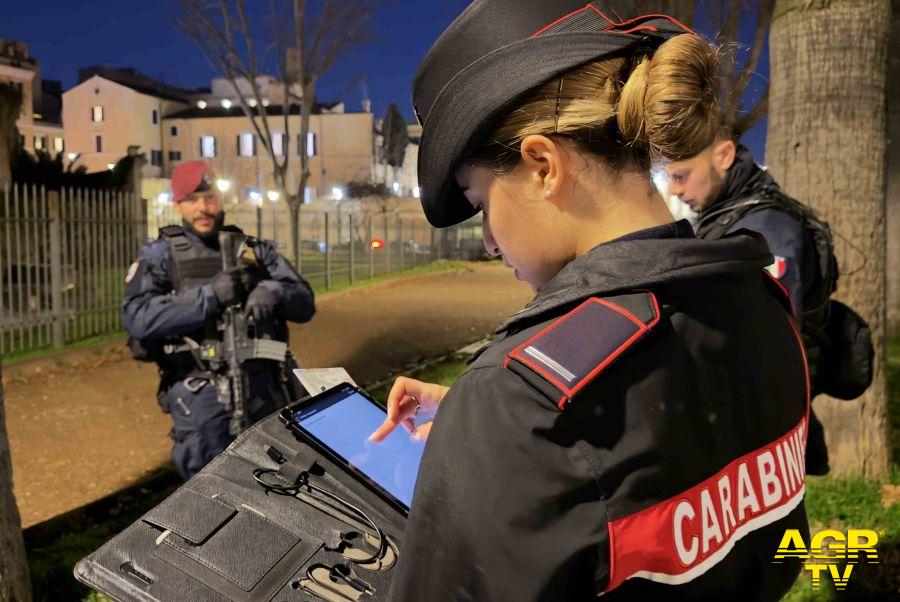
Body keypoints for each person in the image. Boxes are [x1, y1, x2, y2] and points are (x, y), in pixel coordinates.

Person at [370, 2, 810, 600]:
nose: (490, 240)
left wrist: (499, 424)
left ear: (543, 165)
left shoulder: (520, 403)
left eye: (480, 203)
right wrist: (485, 437)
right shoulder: (760, 300)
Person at [122, 161, 315, 480]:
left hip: (265, 390)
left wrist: (274, 291)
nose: (203, 207)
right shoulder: (160, 255)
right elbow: (137, 317)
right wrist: (209, 296)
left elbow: (304, 302)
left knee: (283, 485)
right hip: (201, 397)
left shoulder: (253, 250)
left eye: (209, 197)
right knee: (212, 490)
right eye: (192, 199)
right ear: (178, 204)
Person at [663, 139, 832, 475]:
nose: (673, 190)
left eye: (681, 176)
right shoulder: (730, 216)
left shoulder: (766, 229)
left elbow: (769, 342)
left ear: (724, 155)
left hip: (757, 430)